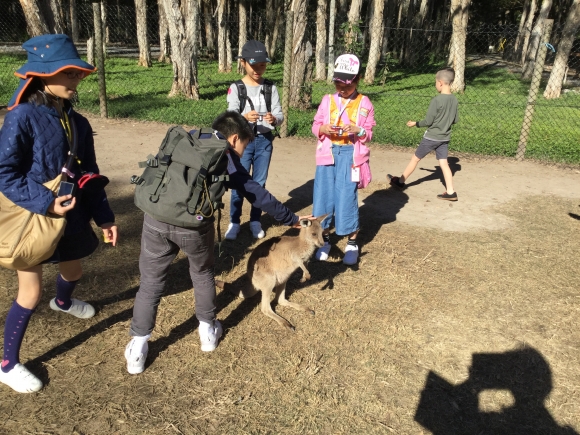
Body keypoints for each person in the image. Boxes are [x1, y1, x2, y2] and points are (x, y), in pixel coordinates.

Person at [124, 111, 312, 375]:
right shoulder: (225, 157)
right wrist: (290, 218)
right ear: (234, 138)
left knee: (152, 282)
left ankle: (137, 348)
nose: (242, 153)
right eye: (244, 146)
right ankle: (208, 334)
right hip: (193, 226)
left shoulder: (189, 138)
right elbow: (254, 191)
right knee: (201, 275)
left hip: (155, 217)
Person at [0, 34, 118, 393]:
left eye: (77, 73)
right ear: (41, 75)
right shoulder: (21, 115)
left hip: (73, 213)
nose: (75, 80)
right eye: (68, 73)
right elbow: (5, 172)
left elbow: (90, 173)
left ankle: (63, 301)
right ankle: (7, 363)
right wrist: (45, 202)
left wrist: (106, 216)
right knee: (30, 292)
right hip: (32, 217)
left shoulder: (78, 121)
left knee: (75, 268)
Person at [311, 53, 376, 266]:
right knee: (323, 198)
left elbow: (368, 134)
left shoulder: (364, 102)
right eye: (338, 83)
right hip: (328, 154)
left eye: (347, 84)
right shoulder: (327, 100)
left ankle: (352, 243)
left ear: (357, 80)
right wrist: (323, 128)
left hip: (350, 155)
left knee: (346, 198)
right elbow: (315, 126)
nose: (342, 88)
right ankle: (325, 239)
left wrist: (358, 130)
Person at [224, 40, 284, 240]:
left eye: (263, 65)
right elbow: (230, 117)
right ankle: (234, 221)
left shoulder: (270, 88)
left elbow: (280, 114)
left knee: (259, 182)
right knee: (238, 181)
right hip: (243, 143)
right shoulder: (236, 88)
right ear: (243, 62)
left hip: (264, 141)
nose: (259, 69)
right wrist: (243, 118)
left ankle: (255, 220)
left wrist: (274, 119)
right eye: (254, 65)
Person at [387, 67, 459, 201]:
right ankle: (450, 192)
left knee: (415, 159)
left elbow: (428, 121)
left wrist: (416, 123)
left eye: (435, 82)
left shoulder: (437, 100)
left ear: (441, 82)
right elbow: (455, 120)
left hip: (431, 137)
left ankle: (400, 182)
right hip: (444, 137)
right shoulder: (454, 100)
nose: (435, 84)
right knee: (444, 163)